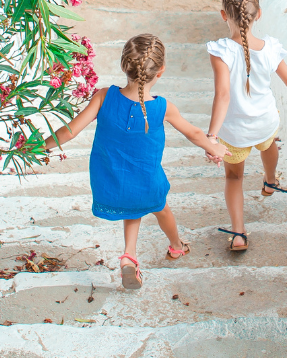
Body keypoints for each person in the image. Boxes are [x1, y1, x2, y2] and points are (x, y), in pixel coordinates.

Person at [43, 33, 227, 289]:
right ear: (160, 72)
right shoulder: (163, 108)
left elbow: (70, 131)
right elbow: (194, 133)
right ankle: (176, 246)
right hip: (147, 184)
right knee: (160, 208)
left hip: (110, 182)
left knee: (133, 202)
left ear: (123, 65)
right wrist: (214, 147)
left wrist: (39, 147)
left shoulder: (103, 97)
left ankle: (130, 255)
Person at [206, 0, 287, 252]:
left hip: (235, 131)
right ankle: (270, 181)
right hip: (265, 121)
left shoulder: (220, 51)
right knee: (268, 144)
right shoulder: (270, 47)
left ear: (224, 15)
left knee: (234, 178)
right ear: (258, 14)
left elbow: (222, 95)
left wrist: (212, 136)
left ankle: (238, 233)